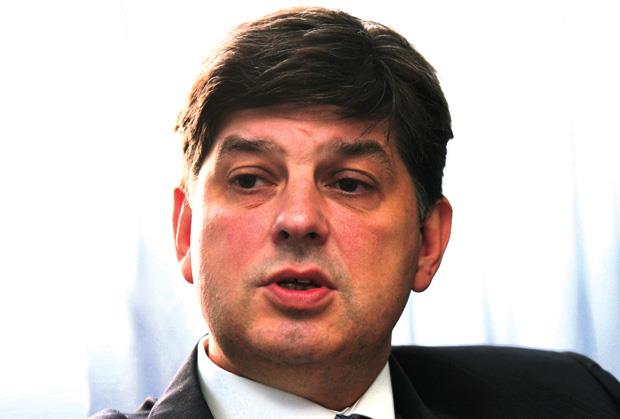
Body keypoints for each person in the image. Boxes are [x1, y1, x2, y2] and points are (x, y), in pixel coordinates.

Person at [91, 6, 620, 419]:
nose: (299, 220)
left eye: (349, 184)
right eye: (250, 180)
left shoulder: (577, 399)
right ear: (185, 231)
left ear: (427, 242)